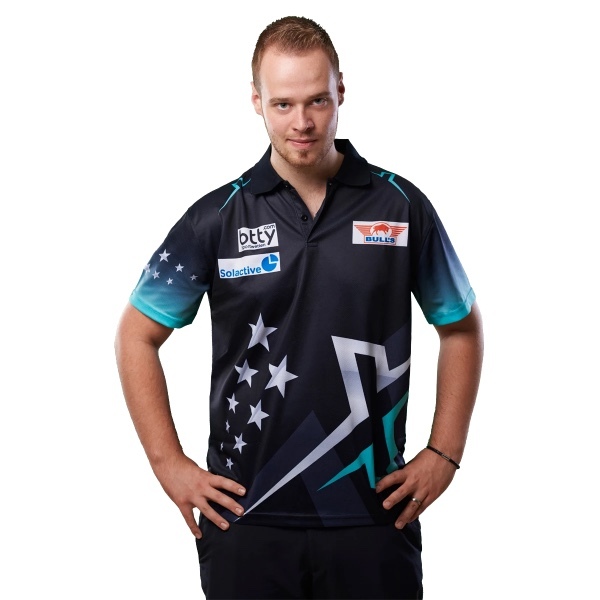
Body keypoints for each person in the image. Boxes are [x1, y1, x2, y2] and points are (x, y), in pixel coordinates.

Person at [115, 15, 483, 600]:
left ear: (342, 92)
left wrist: (445, 453)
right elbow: (136, 335)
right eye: (283, 104)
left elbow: (460, 328)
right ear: (256, 101)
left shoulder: (400, 205)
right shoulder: (215, 218)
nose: (302, 122)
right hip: (245, 516)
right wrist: (168, 463)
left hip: (373, 513)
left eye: (317, 100)